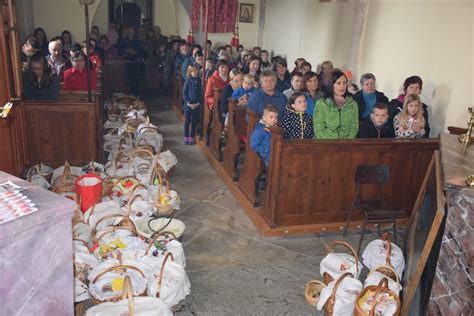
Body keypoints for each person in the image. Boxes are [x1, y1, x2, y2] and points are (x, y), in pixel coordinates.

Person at [313, 69, 358, 139]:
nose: (342, 86)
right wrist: (334, 144)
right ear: (332, 85)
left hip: (346, 144)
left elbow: (354, 128)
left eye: (344, 83)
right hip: (326, 143)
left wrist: (346, 143)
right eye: (338, 83)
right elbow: (319, 130)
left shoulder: (352, 103)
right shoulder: (321, 103)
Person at [182, 64, 202, 145]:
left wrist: (198, 103)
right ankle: (186, 136)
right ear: (189, 72)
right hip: (188, 105)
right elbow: (184, 93)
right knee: (187, 121)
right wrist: (188, 102)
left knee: (194, 121)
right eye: (192, 71)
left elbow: (201, 93)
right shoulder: (188, 80)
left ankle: (192, 136)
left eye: (195, 71)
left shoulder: (200, 81)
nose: (194, 73)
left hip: (196, 105)